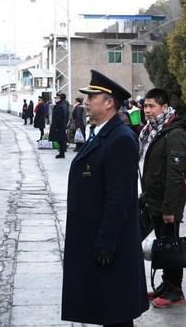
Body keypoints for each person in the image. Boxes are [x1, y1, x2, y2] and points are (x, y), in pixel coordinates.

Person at [62, 69, 148, 327]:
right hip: (97, 237)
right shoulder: (102, 133)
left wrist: (106, 242)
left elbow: (119, 199)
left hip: (111, 244)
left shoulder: (120, 139)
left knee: (116, 311)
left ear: (109, 102)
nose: (87, 102)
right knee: (109, 307)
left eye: (92, 97)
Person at [139, 88, 186, 308]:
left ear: (164, 107)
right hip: (153, 199)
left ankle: (175, 291)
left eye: (152, 106)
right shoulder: (154, 130)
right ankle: (165, 284)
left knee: (171, 244)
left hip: (167, 202)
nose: (147, 111)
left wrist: (170, 209)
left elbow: (175, 174)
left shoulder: (175, 133)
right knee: (163, 244)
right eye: (145, 106)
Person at [49, 93, 69, 159]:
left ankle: (62, 153)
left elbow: (60, 118)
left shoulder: (60, 106)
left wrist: (57, 127)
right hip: (58, 126)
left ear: (60, 99)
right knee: (60, 140)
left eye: (57, 98)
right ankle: (61, 152)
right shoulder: (58, 106)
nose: (55, 99)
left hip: (59, 126)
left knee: (61, 140)